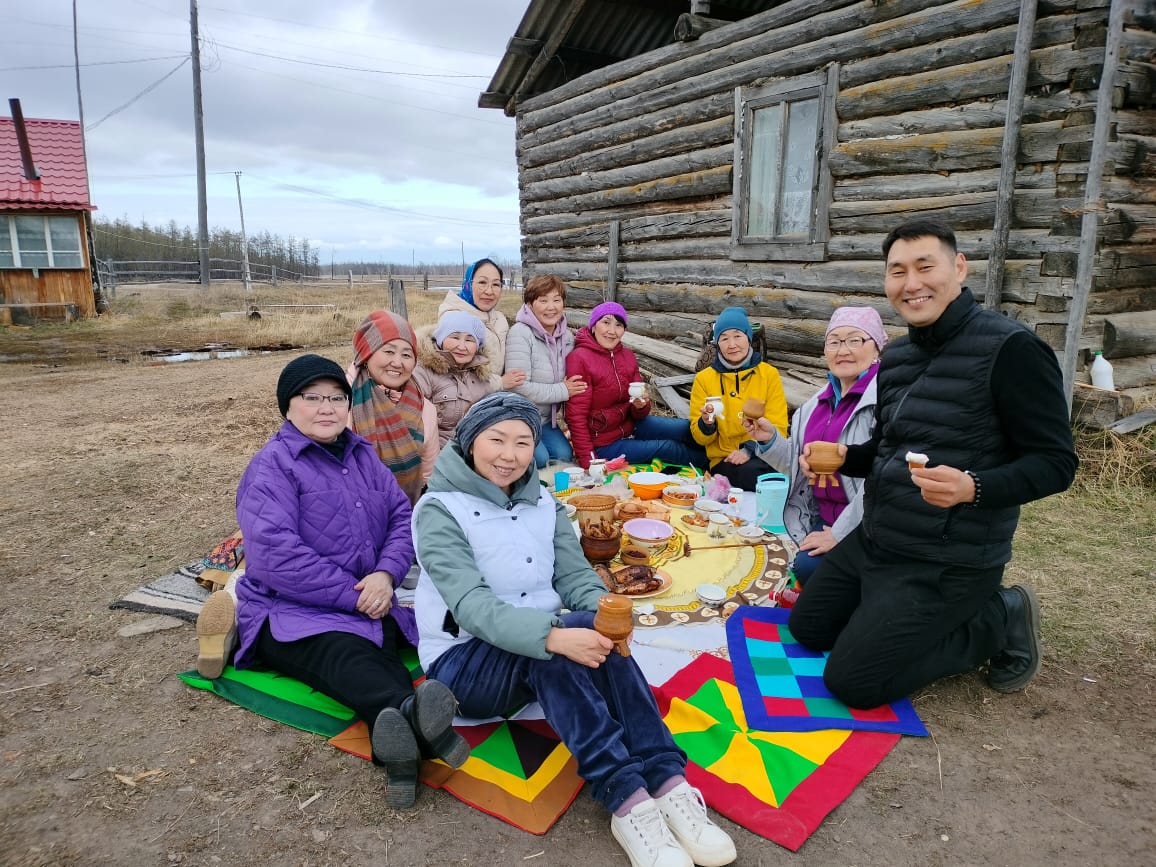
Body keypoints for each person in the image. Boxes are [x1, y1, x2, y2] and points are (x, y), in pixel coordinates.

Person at [413, 393, 736, 867]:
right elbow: (471, 607)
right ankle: (627, 799)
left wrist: (608, 616)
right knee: (558, 645)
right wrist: (552, 635)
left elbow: (574, 575)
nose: (510, 455)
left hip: (540, 645)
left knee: (594, 628)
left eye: (523, 442)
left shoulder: (540, 498)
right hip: (465, 660)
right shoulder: (439, 509)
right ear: (468, 441)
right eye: (496, 440)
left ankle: (668, 781)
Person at [787, 220, 1078, 709]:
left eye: (926, 267)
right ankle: (887, 616)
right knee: (808, 629)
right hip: (879, 539)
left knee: (854, 682)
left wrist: (973, 488)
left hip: (948, 559)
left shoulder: (1011, 349)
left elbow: (1057, 463)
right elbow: (887, 447)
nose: (912, 283)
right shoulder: (896, 357)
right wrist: (845, 457)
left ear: (959, 268)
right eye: (897, 271)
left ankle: (1000, 615)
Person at [228, 354, 469, 808]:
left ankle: (402, 740)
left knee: (401, 643)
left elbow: (402, 516)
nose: (326, 408)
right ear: (288, 407)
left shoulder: (360, 453)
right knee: (348, 656)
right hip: (292, 609)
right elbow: (277, 556)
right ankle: (412, 721)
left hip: (370, 596)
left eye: (337, 398)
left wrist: (385, 574)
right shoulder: (272, 467)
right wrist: (356, 595)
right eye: (312, 398)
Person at [744, 306, 887, 585]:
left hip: (868, 525)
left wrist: (838, 534)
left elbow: (882, 479)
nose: (842, 350)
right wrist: (769, 439)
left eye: (855, 340)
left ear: (877, 348)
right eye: (834, 342)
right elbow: (797, 465)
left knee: (810, 570)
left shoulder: (882, 402)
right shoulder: (814, 406)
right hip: (821, 517)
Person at [565, 301, 705, 471]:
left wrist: (641, 406)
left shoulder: (627, 356)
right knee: (669, 447)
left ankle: (726, 450)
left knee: (686, 428)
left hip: (631, 425)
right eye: (606, 322)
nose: (612, 331)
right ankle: (719, 465)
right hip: (604, 441)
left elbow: (639, 412)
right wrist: (589, 461)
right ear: (594, 326)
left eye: (618, 325)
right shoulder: (579, 358)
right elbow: (576, 416)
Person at [689, 306, 788, 490]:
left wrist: (749, 449)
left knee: (783, 475)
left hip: (762, 454)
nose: (732, 344)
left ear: (748, 338)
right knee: (755, 476)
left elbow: (779, 426)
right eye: (724, 338)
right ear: (717, 343)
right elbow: (699, 438)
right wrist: (707, 423)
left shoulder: (768, 375)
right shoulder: (704, 379)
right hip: (724, 459)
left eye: (737, 336)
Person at [348, 310, 439, 505]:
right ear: (366, 353)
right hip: (348, 507)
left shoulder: (425, 408)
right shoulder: (342, 398)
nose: (397, 363)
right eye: (388, 351)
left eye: (406, 354)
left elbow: (429, 473)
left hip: (406, 508)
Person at [504, 274, 587, 467]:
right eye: (543, 300)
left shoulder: (565, 336)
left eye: (557, 300)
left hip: (544, 420)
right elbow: (519, 387)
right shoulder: (520, 333)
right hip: (520, 415)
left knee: (563, 456)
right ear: (530, 304)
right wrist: (563, 391)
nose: (551, 307)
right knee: (539, 460)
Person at [412, 311, 498, 447]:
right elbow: (415, 424)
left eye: (469, 340)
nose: (462, 346)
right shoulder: (422, 371)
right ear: (441, 339)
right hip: (435, 450)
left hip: (472, 447)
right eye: (455, 337)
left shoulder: (482, 374)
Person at [438, 257, 526, 390]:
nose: (489, 291)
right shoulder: (454, 319)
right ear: (468, 284)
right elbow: (454, 374)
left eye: (496, 284)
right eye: (482, 282)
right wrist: (500, 383)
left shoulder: (500, 319)